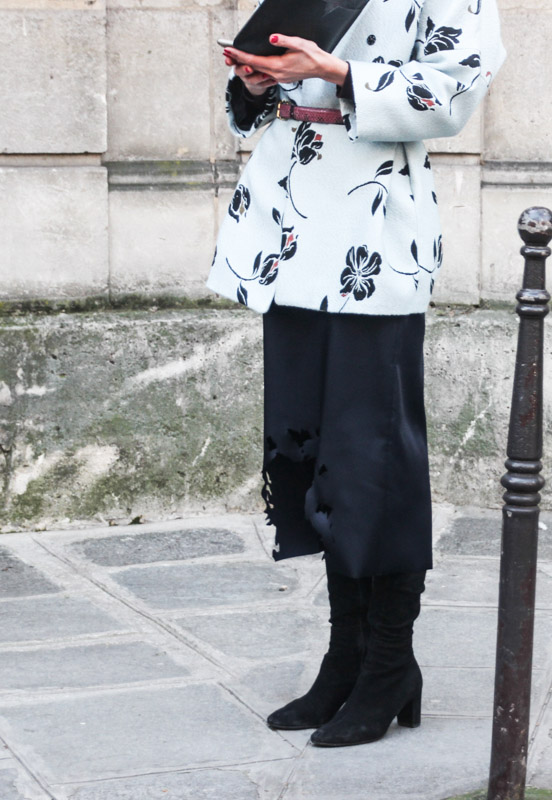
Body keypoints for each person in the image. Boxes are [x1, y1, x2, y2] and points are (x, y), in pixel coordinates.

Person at [206, 0, 505, 748]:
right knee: (312, 449)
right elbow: (256, 112)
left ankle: (390, 662)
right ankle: (346, 658)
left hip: (376, 234)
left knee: (375, 456)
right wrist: (256, 80)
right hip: (287, 225)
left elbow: (453, 93)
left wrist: (337, 71)